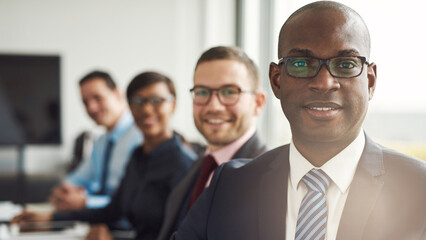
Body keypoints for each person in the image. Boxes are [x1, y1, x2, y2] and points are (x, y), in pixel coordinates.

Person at [171, 2, 426, 240]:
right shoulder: (229, 186)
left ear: (369, 82)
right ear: (276, 81)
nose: (324, 83)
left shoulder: (419, 188)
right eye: (302, 64)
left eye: (346, 64)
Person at [12, 71, 196, 240]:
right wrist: (51, 218)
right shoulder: (138, 156)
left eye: (157, 100)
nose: (147, 109)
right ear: (129, 106)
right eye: (138, 101)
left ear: (173, 104)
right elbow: (113, 209)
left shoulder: (184, 165)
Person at [156, 46, 268, 240]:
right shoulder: (197, 166)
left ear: (258, 103)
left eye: (229, 92)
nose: (214, 106)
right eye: (202, 92)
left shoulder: (267, 181)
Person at [49, 71, 143, 211]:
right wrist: (63, 192)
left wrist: (86, 202)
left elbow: (134, 199)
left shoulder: (141, 137)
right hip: (101, 220)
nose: (91, 108)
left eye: (98, 98)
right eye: (85, 102)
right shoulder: (102, 142)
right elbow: (76, 179)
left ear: (118, 94)